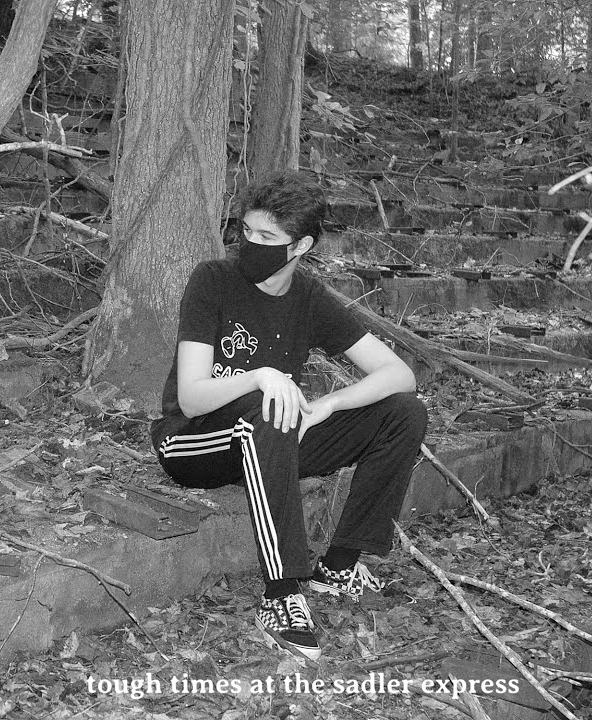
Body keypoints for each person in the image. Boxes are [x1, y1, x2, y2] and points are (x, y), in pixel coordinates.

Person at [149, 170, 428, 661]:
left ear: (300, 246)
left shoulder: (309, 298)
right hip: (194, 442)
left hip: (273, 441)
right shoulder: (213, 280)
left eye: (266, 237)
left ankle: (339, 566)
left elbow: (398, 373)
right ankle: (281, 594)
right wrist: (259, 375)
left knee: (404, 412)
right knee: (268, 407)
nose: (250, 244)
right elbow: (191, 399)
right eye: (247, 231)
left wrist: (329, 405)